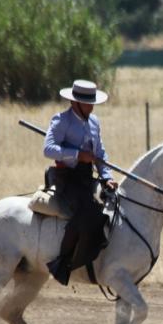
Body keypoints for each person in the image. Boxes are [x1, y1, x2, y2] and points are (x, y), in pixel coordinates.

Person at [43, 79, 119, 286]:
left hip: (87, 178)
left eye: (92, 103)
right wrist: (77, 155)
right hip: (66, 179)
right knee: (88, 213)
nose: (91, 107)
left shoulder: (94, 122)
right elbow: (48, 149)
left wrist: (107, 176)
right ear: (75, 103)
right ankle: (62, 262)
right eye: (87, 103)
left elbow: (100, 154)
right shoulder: (61, 121)